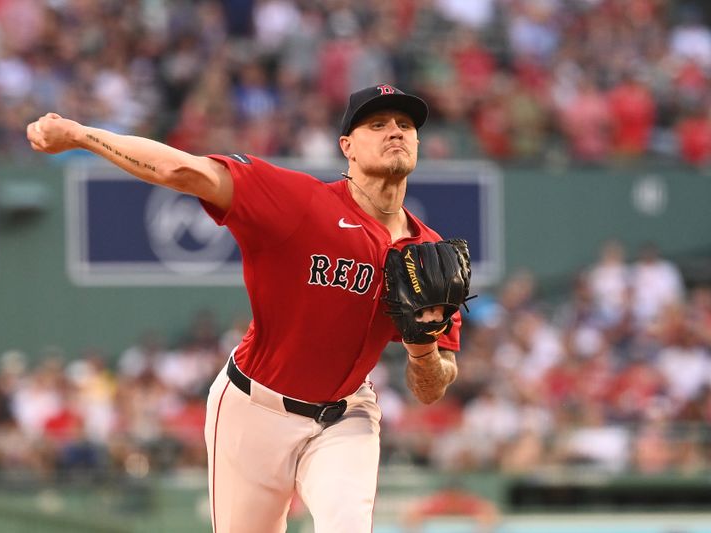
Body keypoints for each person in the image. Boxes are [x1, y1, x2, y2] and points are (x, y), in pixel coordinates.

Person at [27, 84, 462, 533]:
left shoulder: (430, 255)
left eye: (405, 125)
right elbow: (182, 170)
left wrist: (423, 347)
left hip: (345, 415)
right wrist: (80, 135)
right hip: (253, 409)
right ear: (346, 147)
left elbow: (432, 387)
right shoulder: (299, 201)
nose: (396, 132)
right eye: (378, 124)